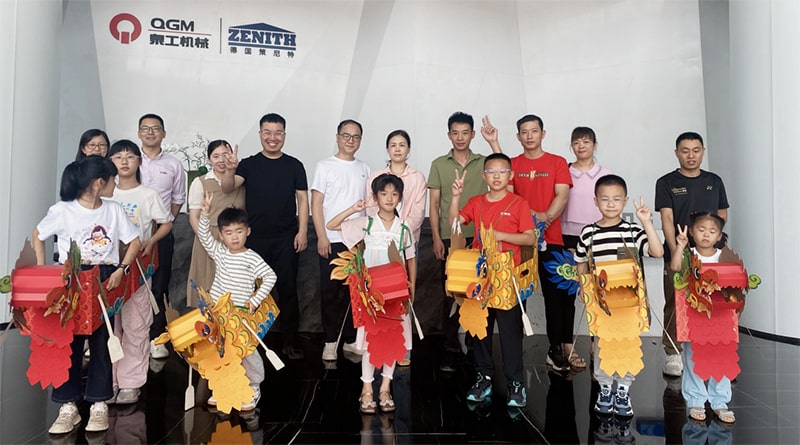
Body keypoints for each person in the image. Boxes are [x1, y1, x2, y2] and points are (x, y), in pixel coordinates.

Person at [33, 156, 141, 434]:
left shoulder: (114, 210)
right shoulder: (63, 210)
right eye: (112, 180)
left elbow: (134, 241)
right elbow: (38, 235)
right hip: (71, 280)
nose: (116, 184)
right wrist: (45, 272)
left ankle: (99, 403)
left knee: (101, 341)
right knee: (68, 343)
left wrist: (122, 269)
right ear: (98, 183)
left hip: (104, 278)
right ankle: (68, 406)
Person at [487, 114, 578, 371]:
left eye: (534, 131)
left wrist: (545, 220)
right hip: (520, 242)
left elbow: (562, 195)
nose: (529, 136)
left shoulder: (557, 162)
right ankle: (514, 353)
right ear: (518, 136)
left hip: (553, 240)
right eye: (524, 132)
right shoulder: (514, 164)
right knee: (517, 298)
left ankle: (556, 349)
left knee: (556, 297)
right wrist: (531, 222)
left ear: (543, 134)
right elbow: (507, 192)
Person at [449, 153, 535, 407]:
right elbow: (455, 224)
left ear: (510, 175)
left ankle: (516, 382)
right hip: (479, 276)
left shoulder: (518, 203)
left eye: (502, 172)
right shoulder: (476, 202)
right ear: (484, 176)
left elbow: (530, 237)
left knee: (510, 333)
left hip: (508, 278)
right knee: (480, 330)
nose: (496, 177)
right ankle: (483, 377)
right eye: (491, 172)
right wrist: (455, 197)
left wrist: (500, 235)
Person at [574, 174, 664, 417]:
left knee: (628, 345)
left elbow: (657, 252)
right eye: (605, 199)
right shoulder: (589, 232)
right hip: (601, 303)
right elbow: (581, 262)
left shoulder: (633, 231)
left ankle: (623, 391)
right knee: (602, 344)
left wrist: (646, 222)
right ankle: (605, 389)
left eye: (616, 199)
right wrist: (584, 287)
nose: (611, 204)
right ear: (595, 201)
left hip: (629, 303)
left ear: (625, 201)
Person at [221, 113, 308, 360]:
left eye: (278, 133)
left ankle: (290, 340)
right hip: (254, 240)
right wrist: (230, 170)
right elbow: (228, 187)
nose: (273, 138)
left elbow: (303, 200)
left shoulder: (294, 165)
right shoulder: (248, 165)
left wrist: (302, 231)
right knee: (251, 291)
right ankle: (251, 341)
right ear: (260, 134)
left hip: (286, 238)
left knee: (288, 290)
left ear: (284, 135)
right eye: (267, 132)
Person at [327, 174, 416, 414]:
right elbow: (331, 225)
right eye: (384, 193)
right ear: (375, 197)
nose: (389, 198)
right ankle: (367, 389)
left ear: (400, 198)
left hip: (396, 294)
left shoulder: (404, 227)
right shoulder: (366, 223)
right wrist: (353, 209)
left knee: (393, 341)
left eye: (394, 194)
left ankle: (385, 388)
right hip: (371, 294)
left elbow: (410, 259)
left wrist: (411, 290)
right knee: (371, 342)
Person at [428, 112, 500, 372]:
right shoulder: (439, 164)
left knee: (478, 293)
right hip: (451, 237)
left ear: (472, 134)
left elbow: (503, 171)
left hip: (481, 237)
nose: (460, 137)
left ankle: (474, 345)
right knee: (452, 294)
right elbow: (434, 205)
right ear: (449, 135)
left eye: (465, 132)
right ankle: (450, 348)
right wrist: (437, 238)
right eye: (455, 133)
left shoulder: (483, 162)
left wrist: (493, 143)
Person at [655, 132, 728, 376]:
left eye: (696, 150)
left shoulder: (714, 181)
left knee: (712, 301)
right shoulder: (666, 182)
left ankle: (709, 350)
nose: (691, 155)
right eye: (685, 150)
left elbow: (722, 214)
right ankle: (673, 352)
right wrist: (675, 249)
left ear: (703, 151)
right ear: (677, 153)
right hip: (679, 252)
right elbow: (667, 219)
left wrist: (710, 239)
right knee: (675, 303)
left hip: (710, 254)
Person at [197, 192, 278, 411]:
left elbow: (270, 276)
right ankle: (224, 386)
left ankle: (253, 386)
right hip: (218, 312)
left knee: (246, 350)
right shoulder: (220, 252)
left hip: (241, 313)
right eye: (229, 233)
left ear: (247, 231)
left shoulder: (252, 257)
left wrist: (255, 299)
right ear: (221, 235)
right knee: (220, 349)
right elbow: (203, 236)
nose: (234, 237)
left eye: (239, 231)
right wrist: (205, 213)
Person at [107, 140, 173, 405]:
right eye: (118, 157)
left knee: (136, 325)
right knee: (110, 328)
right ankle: (109, 381)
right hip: (107, 268)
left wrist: (152, 240)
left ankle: (131, 382)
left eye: (130, 156)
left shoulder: (148, 194)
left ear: (139, 161)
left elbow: (166, 223)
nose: (124, 162)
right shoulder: (105, 193)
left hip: (137, 269)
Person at [365, 130, 426, 366]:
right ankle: (377, 342)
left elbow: (418, 212)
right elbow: (371, 207)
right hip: (377, 243)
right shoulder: (376, 176)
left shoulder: (417, 178)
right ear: (387, 149)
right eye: (393, 145)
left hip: (404, 242)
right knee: (377, 294)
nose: (398, 149)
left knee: (402, 294)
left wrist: (398, 231)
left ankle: (402, 347)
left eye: (402, 145)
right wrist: (384, 230)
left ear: (408, 149)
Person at [311, 119, 371, 362]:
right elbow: (316, 203)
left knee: (353, 293)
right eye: (346, 135)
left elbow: (368, 206)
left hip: (357, 241)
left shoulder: (365, 168)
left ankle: (349, 339)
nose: (350, 140)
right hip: (332, 238)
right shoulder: (324, 166)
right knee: (329, 292)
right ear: (337, 137)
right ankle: (329, 341)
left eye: (355, 137)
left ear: (360, 140)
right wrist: (322, 236)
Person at [669, 213, 735, 424]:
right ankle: (696, 399)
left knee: (721, 357)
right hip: (694, 317)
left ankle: (720, 400)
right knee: (693, 358)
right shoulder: (689, 255)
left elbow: (734, 285)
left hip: (720, 318)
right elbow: (675, 267)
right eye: (701, 229)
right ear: (691, 231)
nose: (706, 234)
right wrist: (680, 246)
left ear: (719, 236)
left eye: (712, 231)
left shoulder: (725, 256)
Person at [136, 114, 184, 359]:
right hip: (131, 234)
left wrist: (166, 224)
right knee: (129, 286)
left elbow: (178, 198)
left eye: (155, 128)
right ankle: (128, 337)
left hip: (161, 232)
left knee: (159, 283)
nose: (150, 132)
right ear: (139, 133)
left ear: (163, 133)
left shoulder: (174, 164)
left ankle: (156, 337)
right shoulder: (131, 161)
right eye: (145, 128)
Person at [187, 140, 245, 306]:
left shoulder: (241, 179)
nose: (221, 160)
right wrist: (207, 241)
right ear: (209, 159)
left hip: (236, 239)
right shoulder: (200, 182)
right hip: (210, 238)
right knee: (208, 286)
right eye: (216, 156)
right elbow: (194, 217)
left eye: (225, 155)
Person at [561, 127, 612, 250]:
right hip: (568, 233)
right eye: (576, 143)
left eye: (586, 142)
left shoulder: (606, 174)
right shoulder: (563, 171)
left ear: (595, 145)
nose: (581, 146)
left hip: (598, 231)